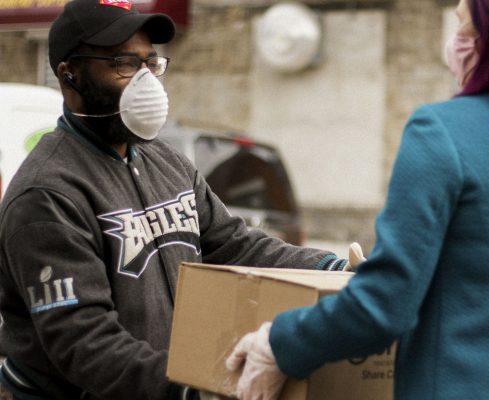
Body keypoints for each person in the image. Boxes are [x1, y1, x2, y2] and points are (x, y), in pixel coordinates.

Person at [230, 0, 489, 399]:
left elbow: (383, 307)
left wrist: (280, 345)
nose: (455, 41)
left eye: (464, 26)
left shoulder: (442, 132)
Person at [0, 0, 362, 399]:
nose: (145, 81)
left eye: (150, 64)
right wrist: (191, 389)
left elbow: (236, 246)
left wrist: (335, 269)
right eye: (124, 63)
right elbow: (86, 344)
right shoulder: (47, 195)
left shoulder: (164, 160)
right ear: (70, 77)